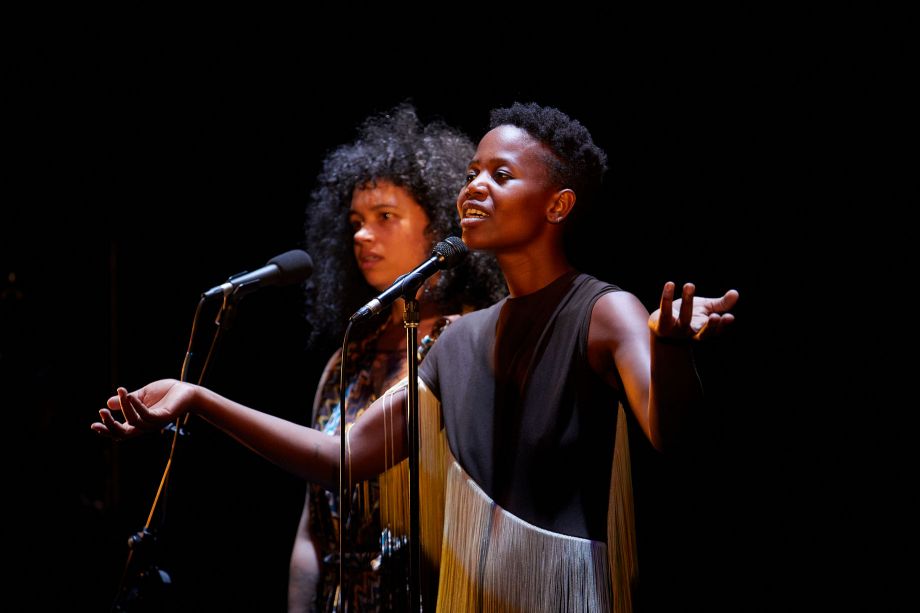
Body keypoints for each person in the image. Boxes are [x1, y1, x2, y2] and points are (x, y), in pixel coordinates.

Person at [93, 102, 739, 612]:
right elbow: (340, 458)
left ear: (558, 204)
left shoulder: (604, 311)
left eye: (500, 175)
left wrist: (672, 349)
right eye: (472, 173)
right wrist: (198, 399)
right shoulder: (456, 343)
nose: (474, 187)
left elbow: (671, 433)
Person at [289, 104, 505, 612]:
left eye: (385, 217)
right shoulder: (348, 358)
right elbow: (312, 527)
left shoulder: (466, 342)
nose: (361, 235)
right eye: (356, 222)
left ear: (439, 227)